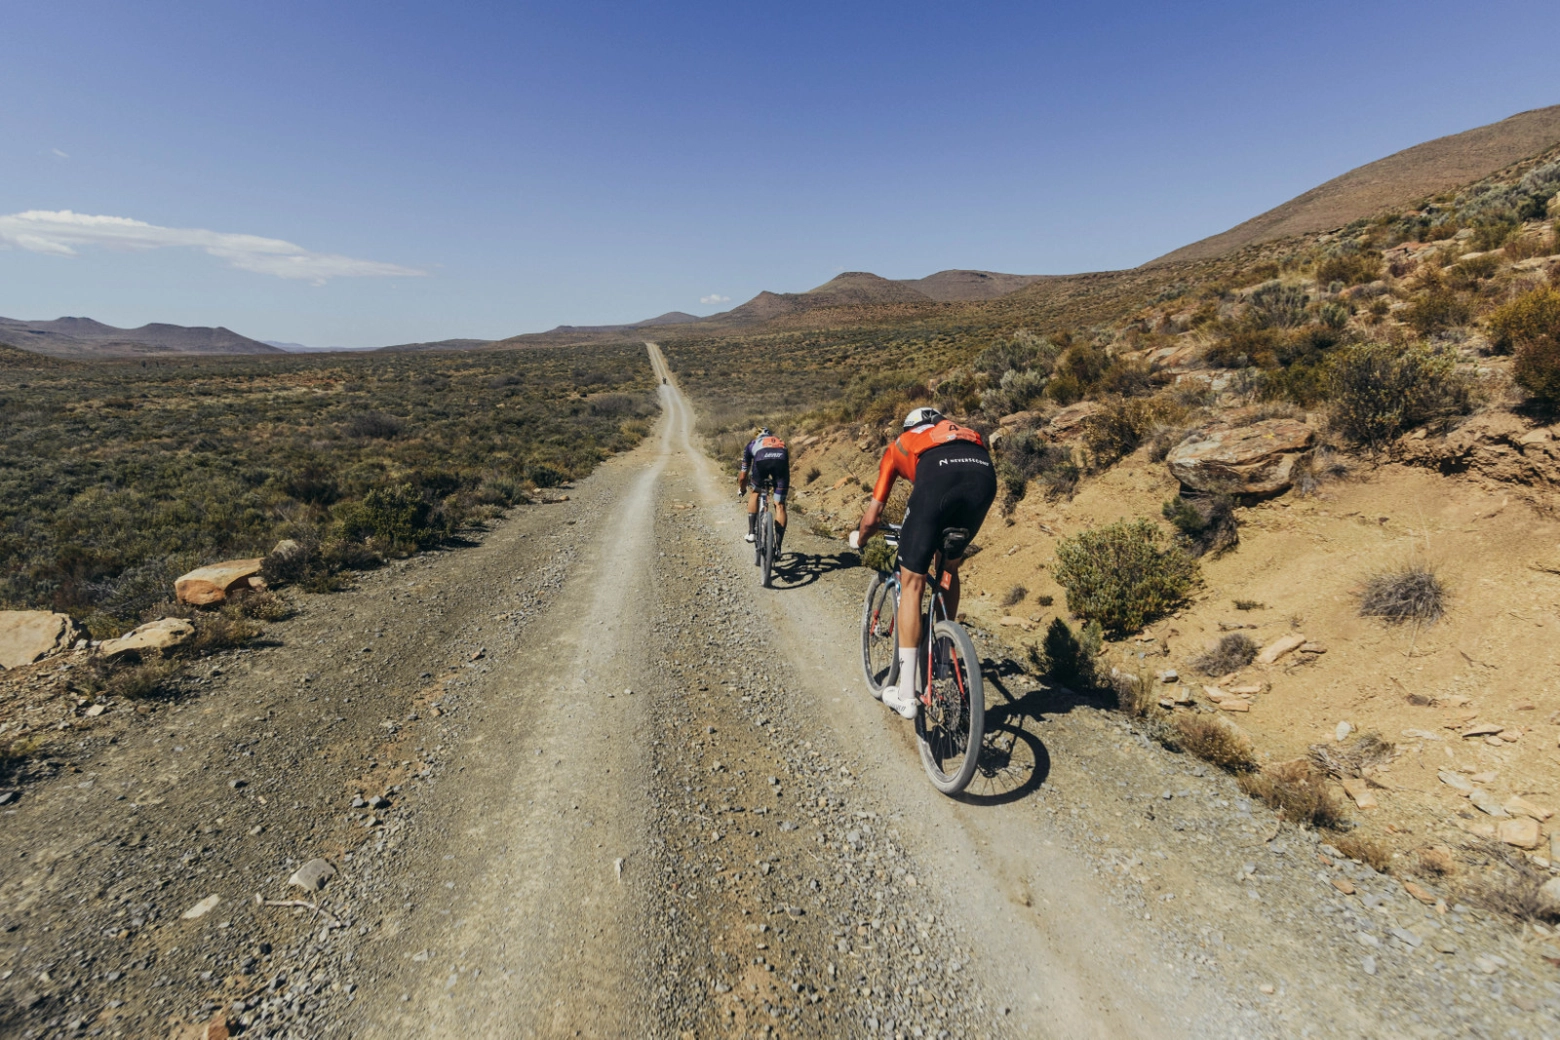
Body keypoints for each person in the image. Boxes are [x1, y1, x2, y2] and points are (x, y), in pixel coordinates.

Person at [849, 407, 996, 719]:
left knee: (913, 581)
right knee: (948, 568)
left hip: (938, 483)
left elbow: (872, 517)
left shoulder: (899, 445)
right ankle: (942, 657)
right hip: (983, 477)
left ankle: (905, 694)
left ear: (908, 427)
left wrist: (860, 540)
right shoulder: (961, 431)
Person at [739, 427, 789, 552]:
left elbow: (743, 474)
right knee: (780, 505)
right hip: (781, 460)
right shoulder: (780, 442)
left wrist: (742, 488)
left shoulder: (752, 444)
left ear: (756, 436)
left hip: (761, 462)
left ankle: (751, 533)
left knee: (755, 492)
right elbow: (785, 467)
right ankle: (778, 547)